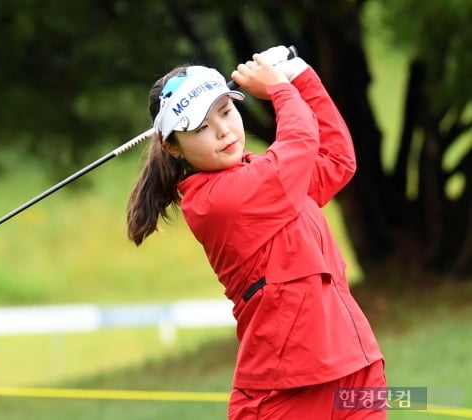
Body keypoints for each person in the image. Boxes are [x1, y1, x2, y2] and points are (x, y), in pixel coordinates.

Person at [126, 46, 386, 419]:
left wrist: (300, 74)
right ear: (172, 147)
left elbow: (336, 160)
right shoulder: (215, 202)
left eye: (226, 112)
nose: (222, 131)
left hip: (356, 370)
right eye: (200, 128)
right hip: (284, 392)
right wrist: (281, 89)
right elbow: (299, 146)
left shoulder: (270, 174)